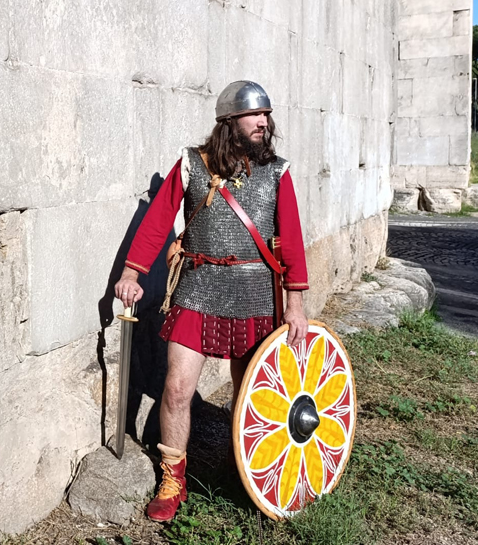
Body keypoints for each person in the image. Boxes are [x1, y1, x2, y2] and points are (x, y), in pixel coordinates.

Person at [114, 81, 309, 523]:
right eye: (254, 116)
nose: (264, 123)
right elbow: (156, 222)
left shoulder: (278, 172)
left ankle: (252, 474)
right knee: (177, 389)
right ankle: (172, 479)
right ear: (228, 122)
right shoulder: (193, 165)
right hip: (198, 289)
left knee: (252, 395)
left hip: (256, 294)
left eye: (266, 116)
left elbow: (292, 242)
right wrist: (132, 273)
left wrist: (295, 303)